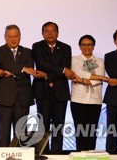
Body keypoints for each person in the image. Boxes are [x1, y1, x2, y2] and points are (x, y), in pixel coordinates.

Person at [0, 24, 46, 147]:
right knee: (2, 133)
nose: (13, 39)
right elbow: (4, 64)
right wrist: (23, 69)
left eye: (16, 36)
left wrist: (20, 71)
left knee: (22, 135)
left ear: (20, 36)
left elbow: (30, 69)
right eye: (10, 36)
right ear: (5, 37)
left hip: (23, 98)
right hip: (4, 98)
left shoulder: (28, 52)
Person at [32, 21, 75, 153]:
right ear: (42, 33)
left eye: (53, 31)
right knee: (43, 125)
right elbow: (41, 64)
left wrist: (47, 76)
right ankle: (43, 152)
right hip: (42, 91)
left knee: (58, 125)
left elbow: (66, 67)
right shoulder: (37, 46)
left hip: (60, 92)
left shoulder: (66, 48)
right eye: (47, 31)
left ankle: (57, 154)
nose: (50, 34)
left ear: (58, 33)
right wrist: (61, 70)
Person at [70, 35, 108, 151]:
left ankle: (91, 155)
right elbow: (77, 72)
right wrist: (98, 78)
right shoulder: (74, 60)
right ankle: (79, 155)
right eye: (84, 45)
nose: (87, 47)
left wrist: (81, 80)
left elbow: (98, 78)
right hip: (77, 100)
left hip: (95, 100)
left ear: (93, 46)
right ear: (80, 46)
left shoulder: (100, 61)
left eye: (90, 44)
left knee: (92, 131)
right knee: (80, 131)